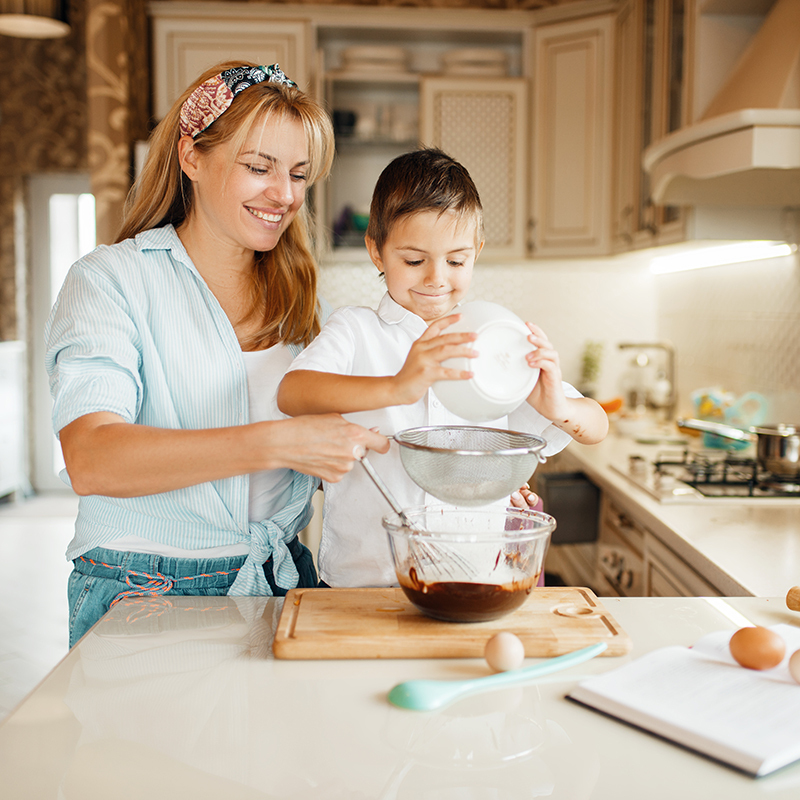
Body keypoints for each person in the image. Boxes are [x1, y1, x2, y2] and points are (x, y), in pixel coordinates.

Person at [45, 62, 388, 647]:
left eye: (299, 176)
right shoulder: (111, 280)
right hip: (146, 589)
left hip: (284, 577)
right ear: (192, 157)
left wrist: (460, 484)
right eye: (259, 168)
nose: (284, 196)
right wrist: (274, 442)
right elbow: (92, 457)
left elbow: (343, 443)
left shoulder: (301, 296)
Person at [277, 148, 609, 588]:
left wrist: (556, 403)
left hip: (474, 583)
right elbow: (293, 393)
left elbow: (597, 425)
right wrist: (398, 385)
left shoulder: (495, 341)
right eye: (414, 260)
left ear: (477, 252)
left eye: (456, 261)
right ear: (377, 252)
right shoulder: (356, 331)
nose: (436, 278)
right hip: (361, 589)